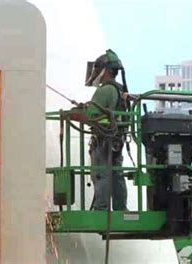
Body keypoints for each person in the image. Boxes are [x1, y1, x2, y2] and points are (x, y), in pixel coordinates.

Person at [85, 49, 128, 211]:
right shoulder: (118, 89)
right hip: (116, 140)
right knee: (116, 174)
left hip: (104, 140)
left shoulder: (104, 90)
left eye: (99, 69)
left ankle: (101, 208)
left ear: (107, 71)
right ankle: (120, 207)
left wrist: (77, 113)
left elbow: (91, 115)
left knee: (101, 173)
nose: (97, 74)